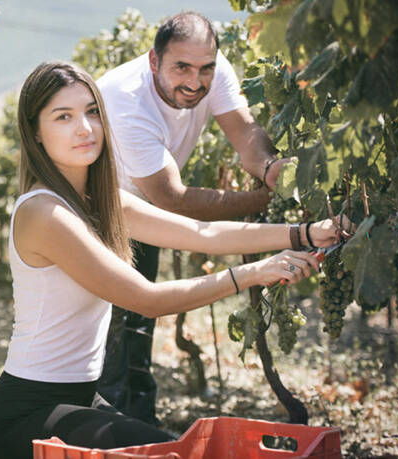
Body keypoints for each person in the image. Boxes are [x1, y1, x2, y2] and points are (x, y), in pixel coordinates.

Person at [0, 61, 350, 459]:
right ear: (35, 131)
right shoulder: (45, 213)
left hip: (80, 399)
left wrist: (304, 233)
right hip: (26, 414)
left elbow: (200, 233)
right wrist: (251, 273)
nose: (85, 128)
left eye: (92, 112)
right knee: (176, 454)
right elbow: (147, 299)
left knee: (175, 448)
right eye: (63, 117)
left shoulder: (100, 200)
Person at [96, 11, 291, 424]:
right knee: (106, 339)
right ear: (154, 61)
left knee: (138, 330)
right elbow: (174, 199)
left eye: (205, 69)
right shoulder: (126, 99)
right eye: (181, 67)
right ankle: (103, 436)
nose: (194, 81)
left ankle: (140, 431)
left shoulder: (212, 70)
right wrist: (257, 200)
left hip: (143, 215)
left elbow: (245, 135)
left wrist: (271, 167)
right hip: (96, 217)